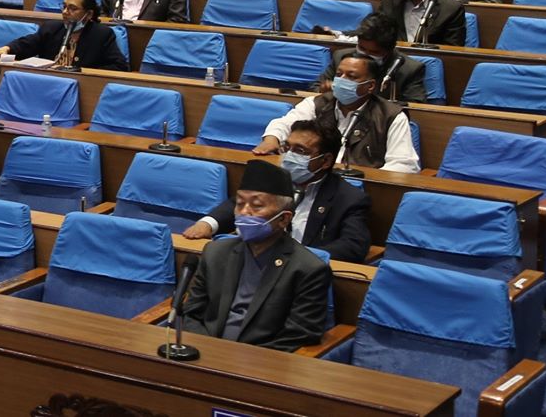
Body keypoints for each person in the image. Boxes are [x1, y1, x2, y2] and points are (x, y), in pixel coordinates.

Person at [174, 158, 333, 352]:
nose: (244, 213)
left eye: (256, 206)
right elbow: (191, 313)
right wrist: (209, 352)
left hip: (261, 367)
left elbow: (298, 335)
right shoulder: (215, 253)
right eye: (240, 204)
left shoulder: (308, 269)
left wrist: (243, 361)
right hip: (204, 355)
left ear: (283, 219)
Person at [183, 122, 370, 263]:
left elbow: (353, 246)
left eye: (300, 151)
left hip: (301, 272)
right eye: (287, 148)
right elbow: (237, 203)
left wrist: (300, 258)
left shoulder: (349, 199)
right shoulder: (274, 178)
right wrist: (208, 224)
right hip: (252, 261)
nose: (289, 156)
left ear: (326, 161)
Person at [255, 48, 417, 172]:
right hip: (313, 177)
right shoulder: (317, 103)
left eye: (351, 76)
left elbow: (404, 165)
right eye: (339, 74)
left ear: (370, 86)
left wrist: (361, 181)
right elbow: (283, 124)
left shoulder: (390, 116)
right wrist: (271, 139)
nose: (341, 81)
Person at [0, 0, 128, 70]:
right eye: (64, 7)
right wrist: (7, 49)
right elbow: (28, 43)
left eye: (72, 9)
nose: (65, 12)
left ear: (88, 14)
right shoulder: (52, 28)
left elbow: (119, 66)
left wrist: (81, 71)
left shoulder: (101, 34)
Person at [349, 15, 431, 103]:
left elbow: (415, 107)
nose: (365, 56)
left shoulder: (410, 69)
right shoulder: (342, 57)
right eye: (362, 48)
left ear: (390, 50)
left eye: (374, 52)